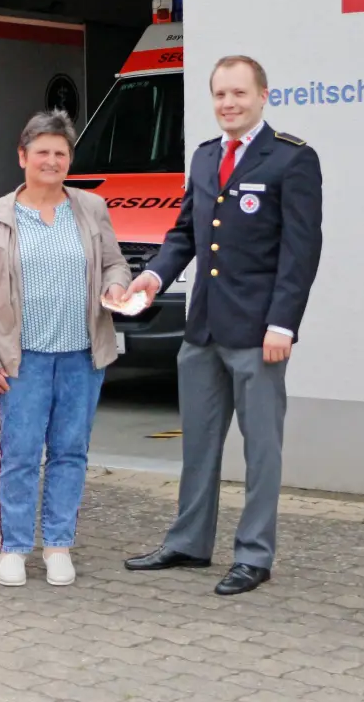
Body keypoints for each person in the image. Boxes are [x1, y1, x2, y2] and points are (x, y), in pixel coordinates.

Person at [122, 54, 323, 596]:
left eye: (238, 93)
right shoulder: (207, 158)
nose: (228, 104)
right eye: (220, 95)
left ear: (262, 96)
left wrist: (284, 323)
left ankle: (254, 556)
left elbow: (300, 253)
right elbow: (186, 233)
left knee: (261, 451)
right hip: (203, 330)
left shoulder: (291, 160)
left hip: (259, 334)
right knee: (199, 446)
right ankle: (189, 542)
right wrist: (153, 279)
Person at [0, 110, 133, 587]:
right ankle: (14, 547)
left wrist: (117, 287)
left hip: (82, 356)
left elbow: (117, 265)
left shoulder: (91, 209)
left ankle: (58, 545)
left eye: (61, 153)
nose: (51, 161)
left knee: (71, 453)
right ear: (22, 157)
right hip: (22, 361)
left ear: (69, 159)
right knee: (19, 456)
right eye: (42, 153)